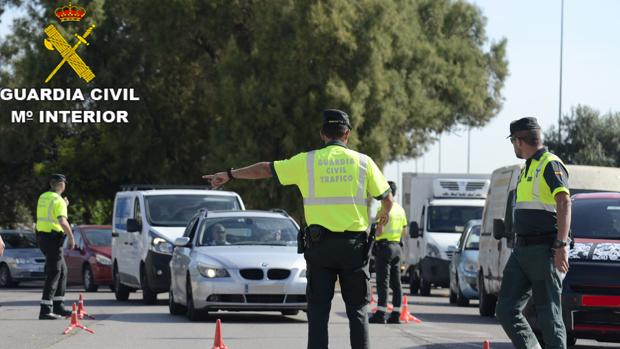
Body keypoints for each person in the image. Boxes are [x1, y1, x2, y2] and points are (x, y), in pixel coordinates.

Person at [203, 109, 393, 349]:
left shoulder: (307, 161)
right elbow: (387, 199)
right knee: (357, 311)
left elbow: (265, 169)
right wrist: (380, 224)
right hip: (354, 249)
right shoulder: (364, 163)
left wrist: (229, 174)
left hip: (320, 248)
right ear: (347, 134)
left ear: (322, 134)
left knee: (318, 313)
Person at [495, 117, 571, 349]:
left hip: (545, 250)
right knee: (505, 309)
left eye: (513, 143)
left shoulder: (550, 163)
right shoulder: (527, 167)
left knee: (549, 317)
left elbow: (564, 201)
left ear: (519, 141)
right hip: (522, 251)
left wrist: (561, 245)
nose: (513, 147)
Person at [35, 174, 75, 320]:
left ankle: (58, 306)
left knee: (62, 270)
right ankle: (45, 309)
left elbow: (49, 213)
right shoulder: (58, 200)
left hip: (42, 237)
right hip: (52, 238)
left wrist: (64, 205)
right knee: (55, 271)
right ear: (61, 185)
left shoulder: (44, 196)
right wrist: (71, 238)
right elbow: (62, 221)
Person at [369, 181, 407, 324]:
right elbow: (405, 231)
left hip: (384, 248)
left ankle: (380, 314)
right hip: (397, 247)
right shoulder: (401, 210)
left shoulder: (384, 209)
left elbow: (380, 230)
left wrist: (373, 235)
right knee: (396, 283)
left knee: (382, 282)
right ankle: (396, 314)